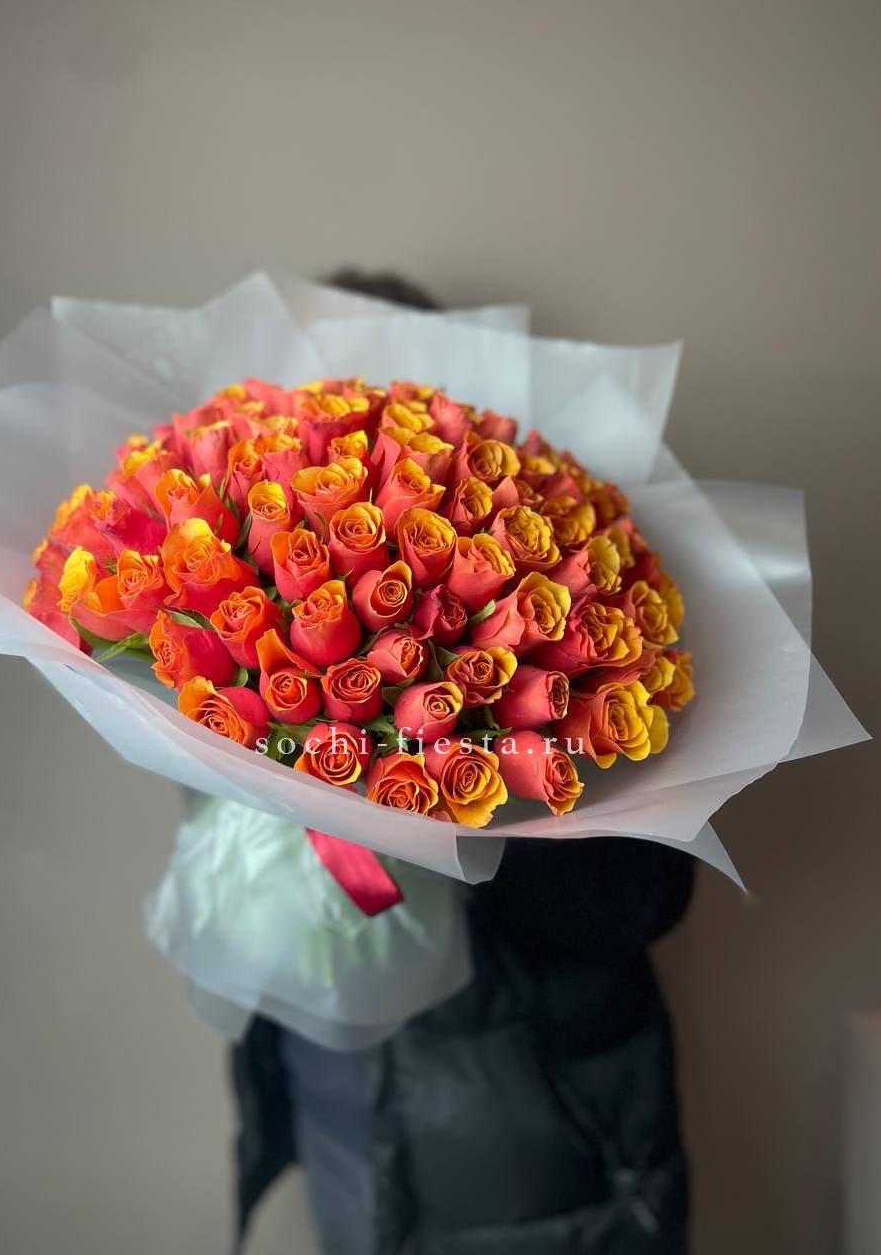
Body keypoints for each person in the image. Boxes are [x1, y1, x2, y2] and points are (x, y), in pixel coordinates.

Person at [230, 270, 695, 1255]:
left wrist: (452, 781)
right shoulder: (255, 603)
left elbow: (641, 897)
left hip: (547, 1151)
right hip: (341, 1116)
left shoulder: (577, 608)